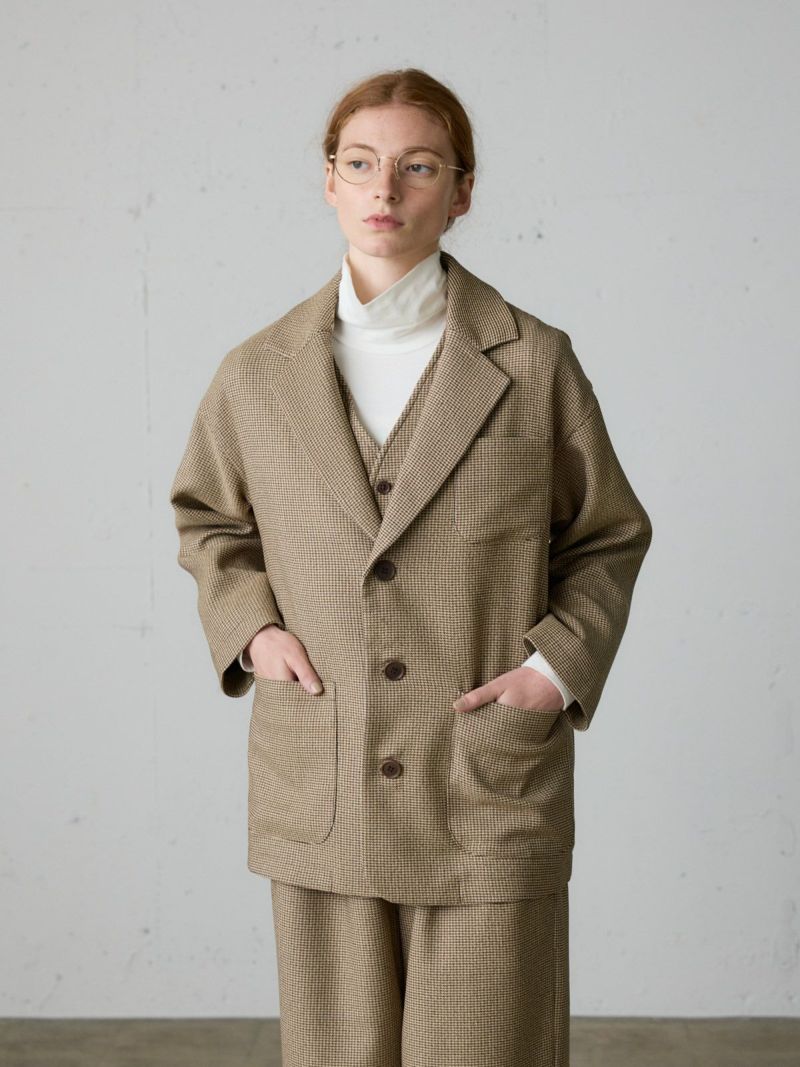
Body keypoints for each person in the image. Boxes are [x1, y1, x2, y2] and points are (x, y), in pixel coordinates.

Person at [169, 67, 653, 1067]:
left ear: (461, 190)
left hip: (481, 774)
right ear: (329, 182)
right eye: (360, 164)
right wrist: (252, 629)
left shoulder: (533, 363)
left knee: (487, 1047)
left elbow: (605, 535)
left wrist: (550, 671)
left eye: (418, 166)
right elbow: (208, 518)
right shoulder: (258, 372)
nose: (384, 188)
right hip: (325, 769)